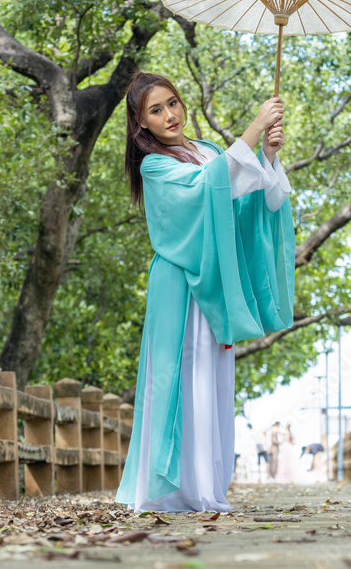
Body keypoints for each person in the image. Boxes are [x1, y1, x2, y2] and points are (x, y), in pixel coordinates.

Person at [115, 72, 295, 512]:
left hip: (215, 281)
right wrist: (254, 129)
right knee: (177, 377)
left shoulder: (209, 151)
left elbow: (244, 203)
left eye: (172, 103)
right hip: (179, 283)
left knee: (210, 379)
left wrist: (267, 155)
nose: (169, 115)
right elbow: (204, 192)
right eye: (155, 110)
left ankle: (207, 486)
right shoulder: (154, 165)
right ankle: (172, 489)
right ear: (141, 124)